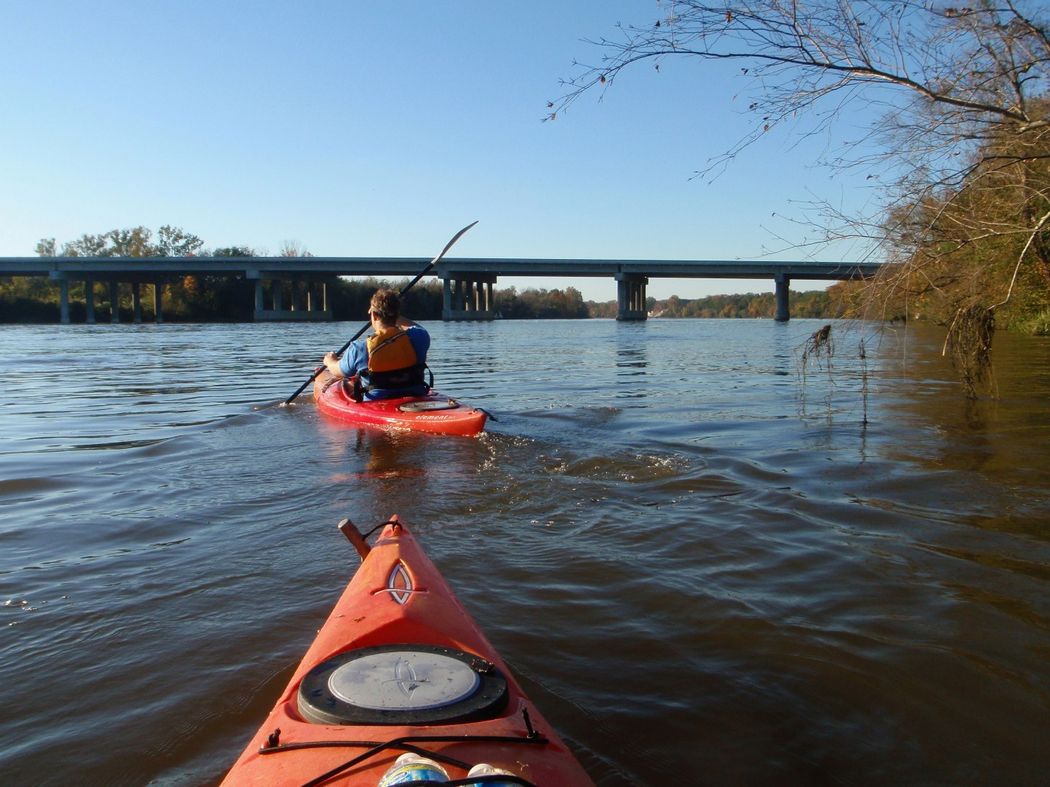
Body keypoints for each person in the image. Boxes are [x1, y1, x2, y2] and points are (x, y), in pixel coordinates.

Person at [322, 289, 431, 400]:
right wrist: (392, 311)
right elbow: (416, 327)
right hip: (416, 395)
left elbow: (338, 371)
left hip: (377, 402)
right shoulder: (419, 337)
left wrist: (329, 361)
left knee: (352, 380)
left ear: (373, 315)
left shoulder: (359, 349)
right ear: (397, 314)